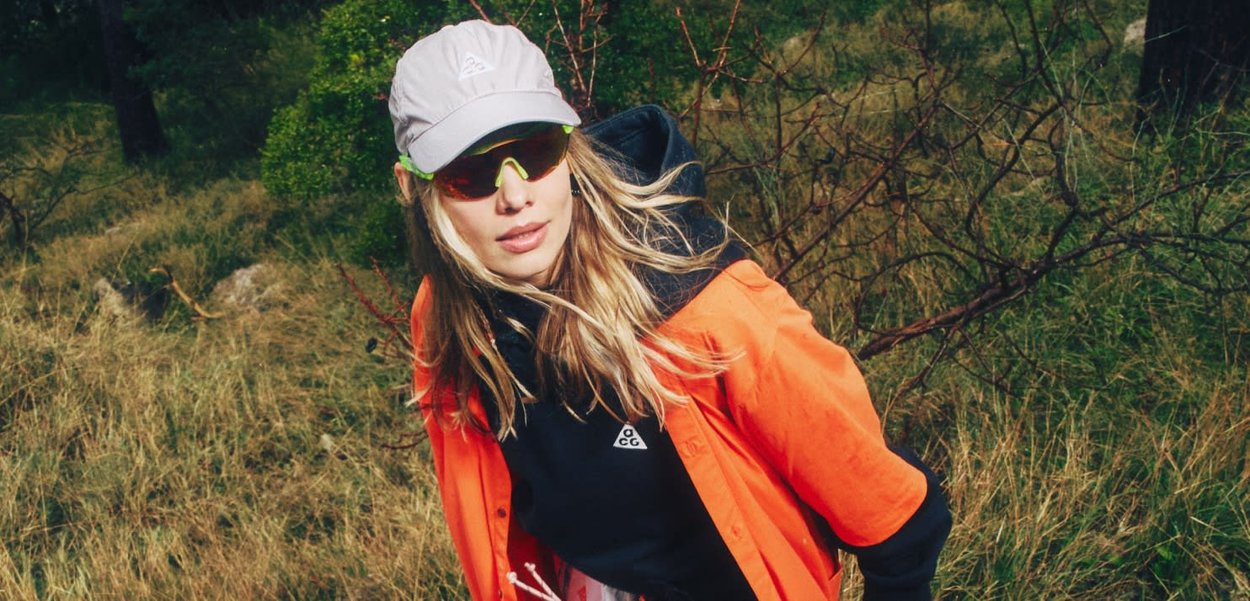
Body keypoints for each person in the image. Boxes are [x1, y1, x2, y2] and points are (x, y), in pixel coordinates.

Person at [388, 20, 951, 601]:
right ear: (415, 188)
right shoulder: (445, 318)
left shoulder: (702, 303)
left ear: (570, 148)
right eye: (470, 173)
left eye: (536, 150)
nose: (515, 195)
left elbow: (893, 513)